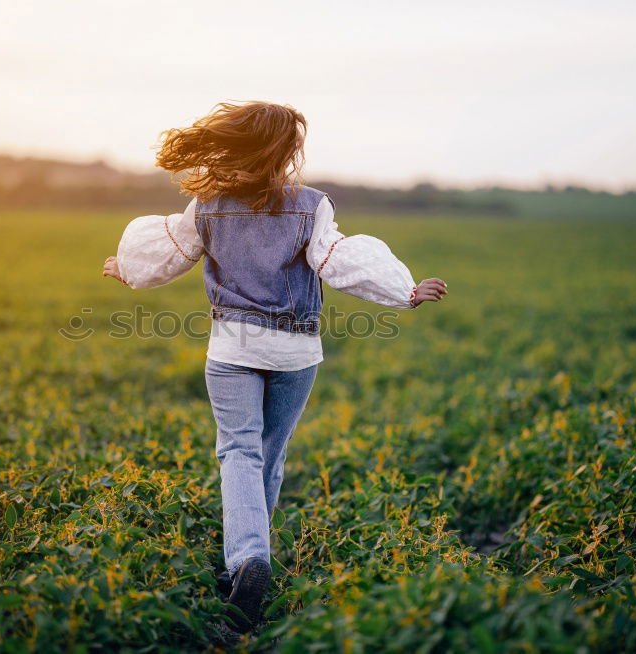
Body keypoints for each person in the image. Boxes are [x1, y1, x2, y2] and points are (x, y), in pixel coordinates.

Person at [102, 101, 447, 636]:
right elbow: (336, 259)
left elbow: (171, 250)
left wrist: (128, 269)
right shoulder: (313, 206)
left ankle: (247, 561)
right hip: (295, 353)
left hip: (232, 351)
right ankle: (253, 558)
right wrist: (404, 291)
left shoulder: (208, 205)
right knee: (269, 452)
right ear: (287, 152)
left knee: (237, 450)